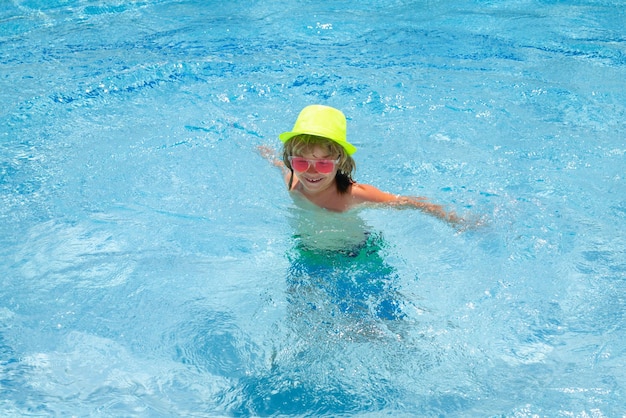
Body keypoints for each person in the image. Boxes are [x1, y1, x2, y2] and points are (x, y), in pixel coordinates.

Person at [259, 104, 463, 226]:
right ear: (291, 161)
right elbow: (281, 166)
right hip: (309, 251)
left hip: (355, 254)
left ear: (340, 162)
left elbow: (407, 202)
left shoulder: (354, 194)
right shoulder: (292, 181)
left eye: (322, 164)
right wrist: (267, 154)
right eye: (302, 162)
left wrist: (455, 220)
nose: (311, 171)